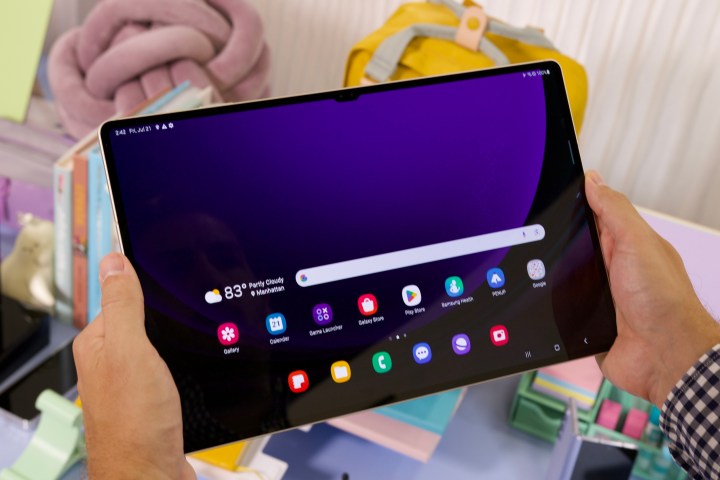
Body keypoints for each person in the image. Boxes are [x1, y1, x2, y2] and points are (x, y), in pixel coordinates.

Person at [73, 171, 720, 479]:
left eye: (223, 255)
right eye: (184, 265)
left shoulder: (327, 352)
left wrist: (129, 465)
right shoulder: (179, 401)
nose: (211, 274)